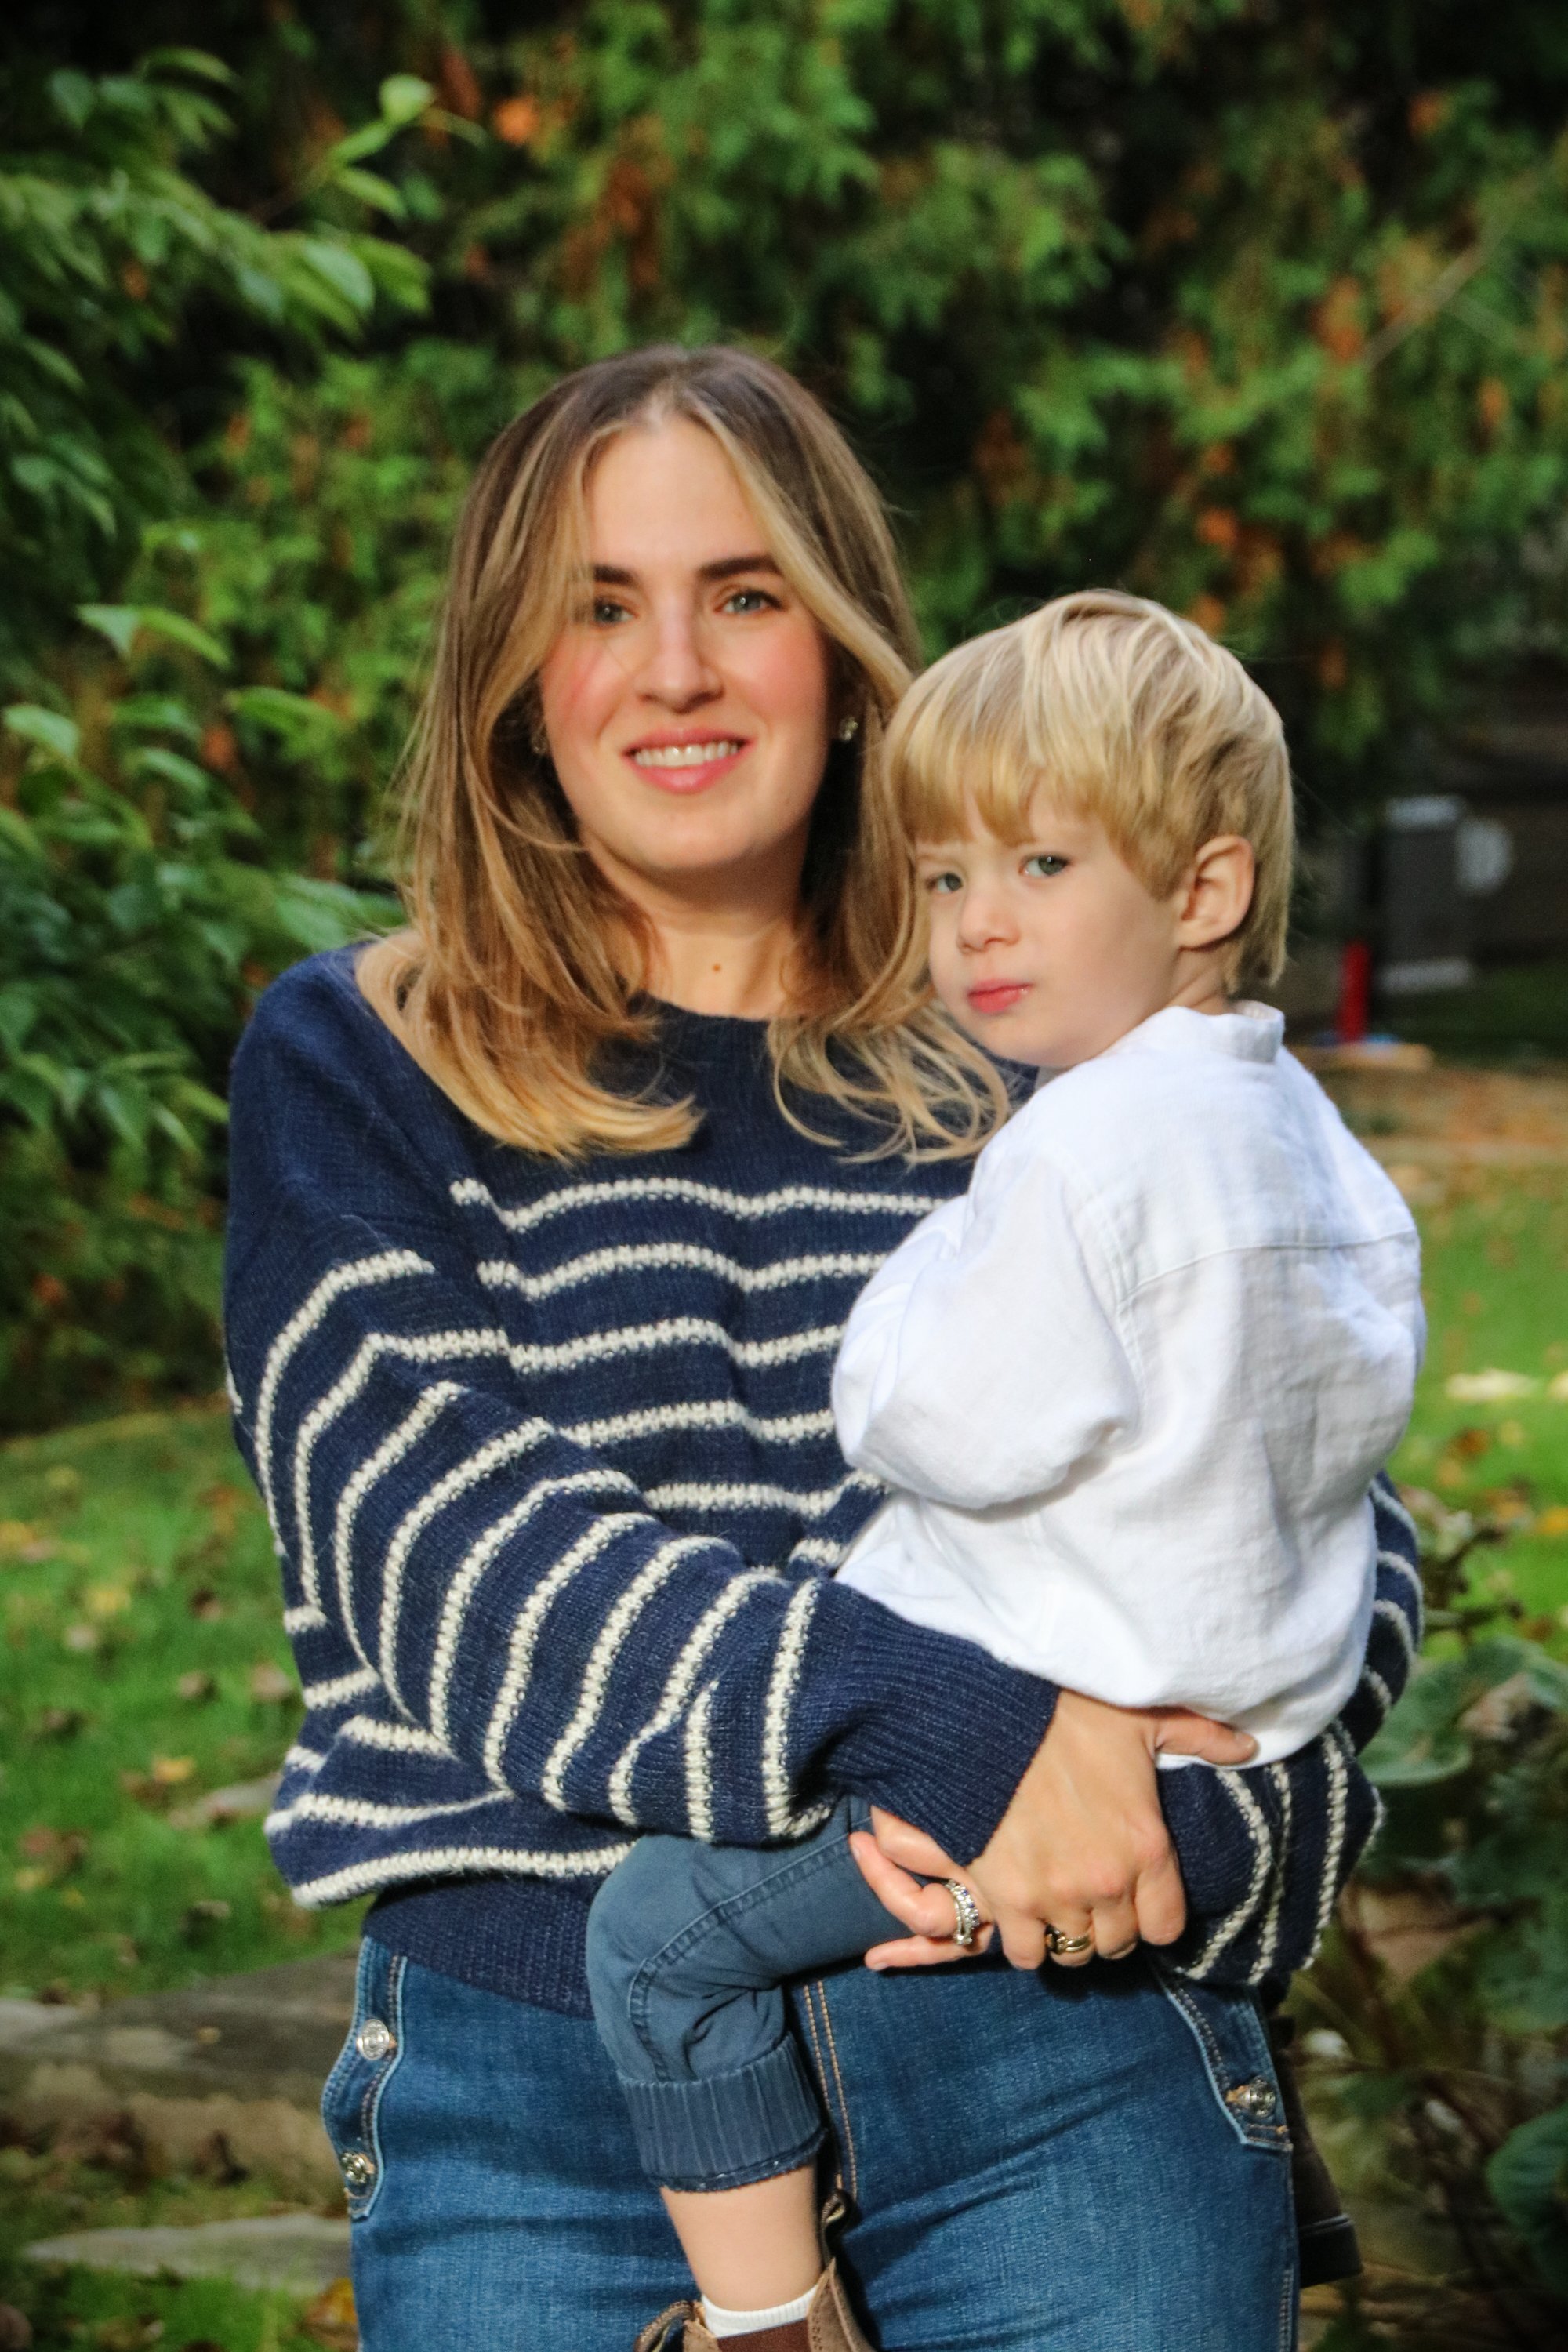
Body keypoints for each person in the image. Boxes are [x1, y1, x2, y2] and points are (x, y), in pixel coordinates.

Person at [222, 347, 1424, 2352]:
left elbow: (1305, 1482)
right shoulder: (364, 1055)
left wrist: (1205, 1829)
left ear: (848, 646)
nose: (674, 667)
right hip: (544, 2081)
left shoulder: (1043, 1036)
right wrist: (974, 1733)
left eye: (746, 594)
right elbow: (437, 1544)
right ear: (514, 676)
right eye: (601, 605)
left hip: (1054, 2060)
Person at [585, 591, 1425, 2349]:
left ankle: (763, 2318)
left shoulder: (1082, 1145)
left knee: (663, 1934)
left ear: (1199, 894)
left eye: (1038, 868)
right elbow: (1346, 1436)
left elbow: (929, 1417)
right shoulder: (1315, 1143)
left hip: (1015, 1741)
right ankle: (1253, 2173)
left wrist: (903, 1304)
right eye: (948, 875)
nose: (975, 929)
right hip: (1228, 1732)